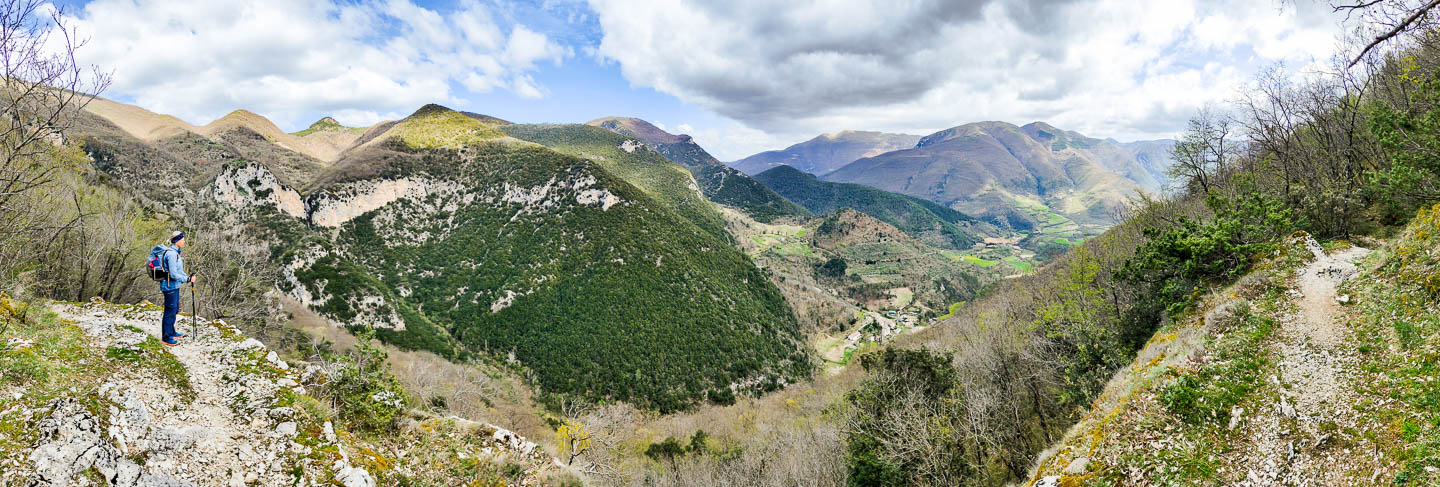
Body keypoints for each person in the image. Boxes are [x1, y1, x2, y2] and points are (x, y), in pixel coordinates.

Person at [158, 231, 197, 346]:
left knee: (174, 310)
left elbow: (179, 272)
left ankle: (172, 331)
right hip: (170, 287)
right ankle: (166, 337)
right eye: (182, 240)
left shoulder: (175, 253)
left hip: (174, 286)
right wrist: (188, 280)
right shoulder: (171, 254)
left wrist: (187, 277)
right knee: (170, 312)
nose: (184, 241)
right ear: (177, 241)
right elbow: (174, 274)